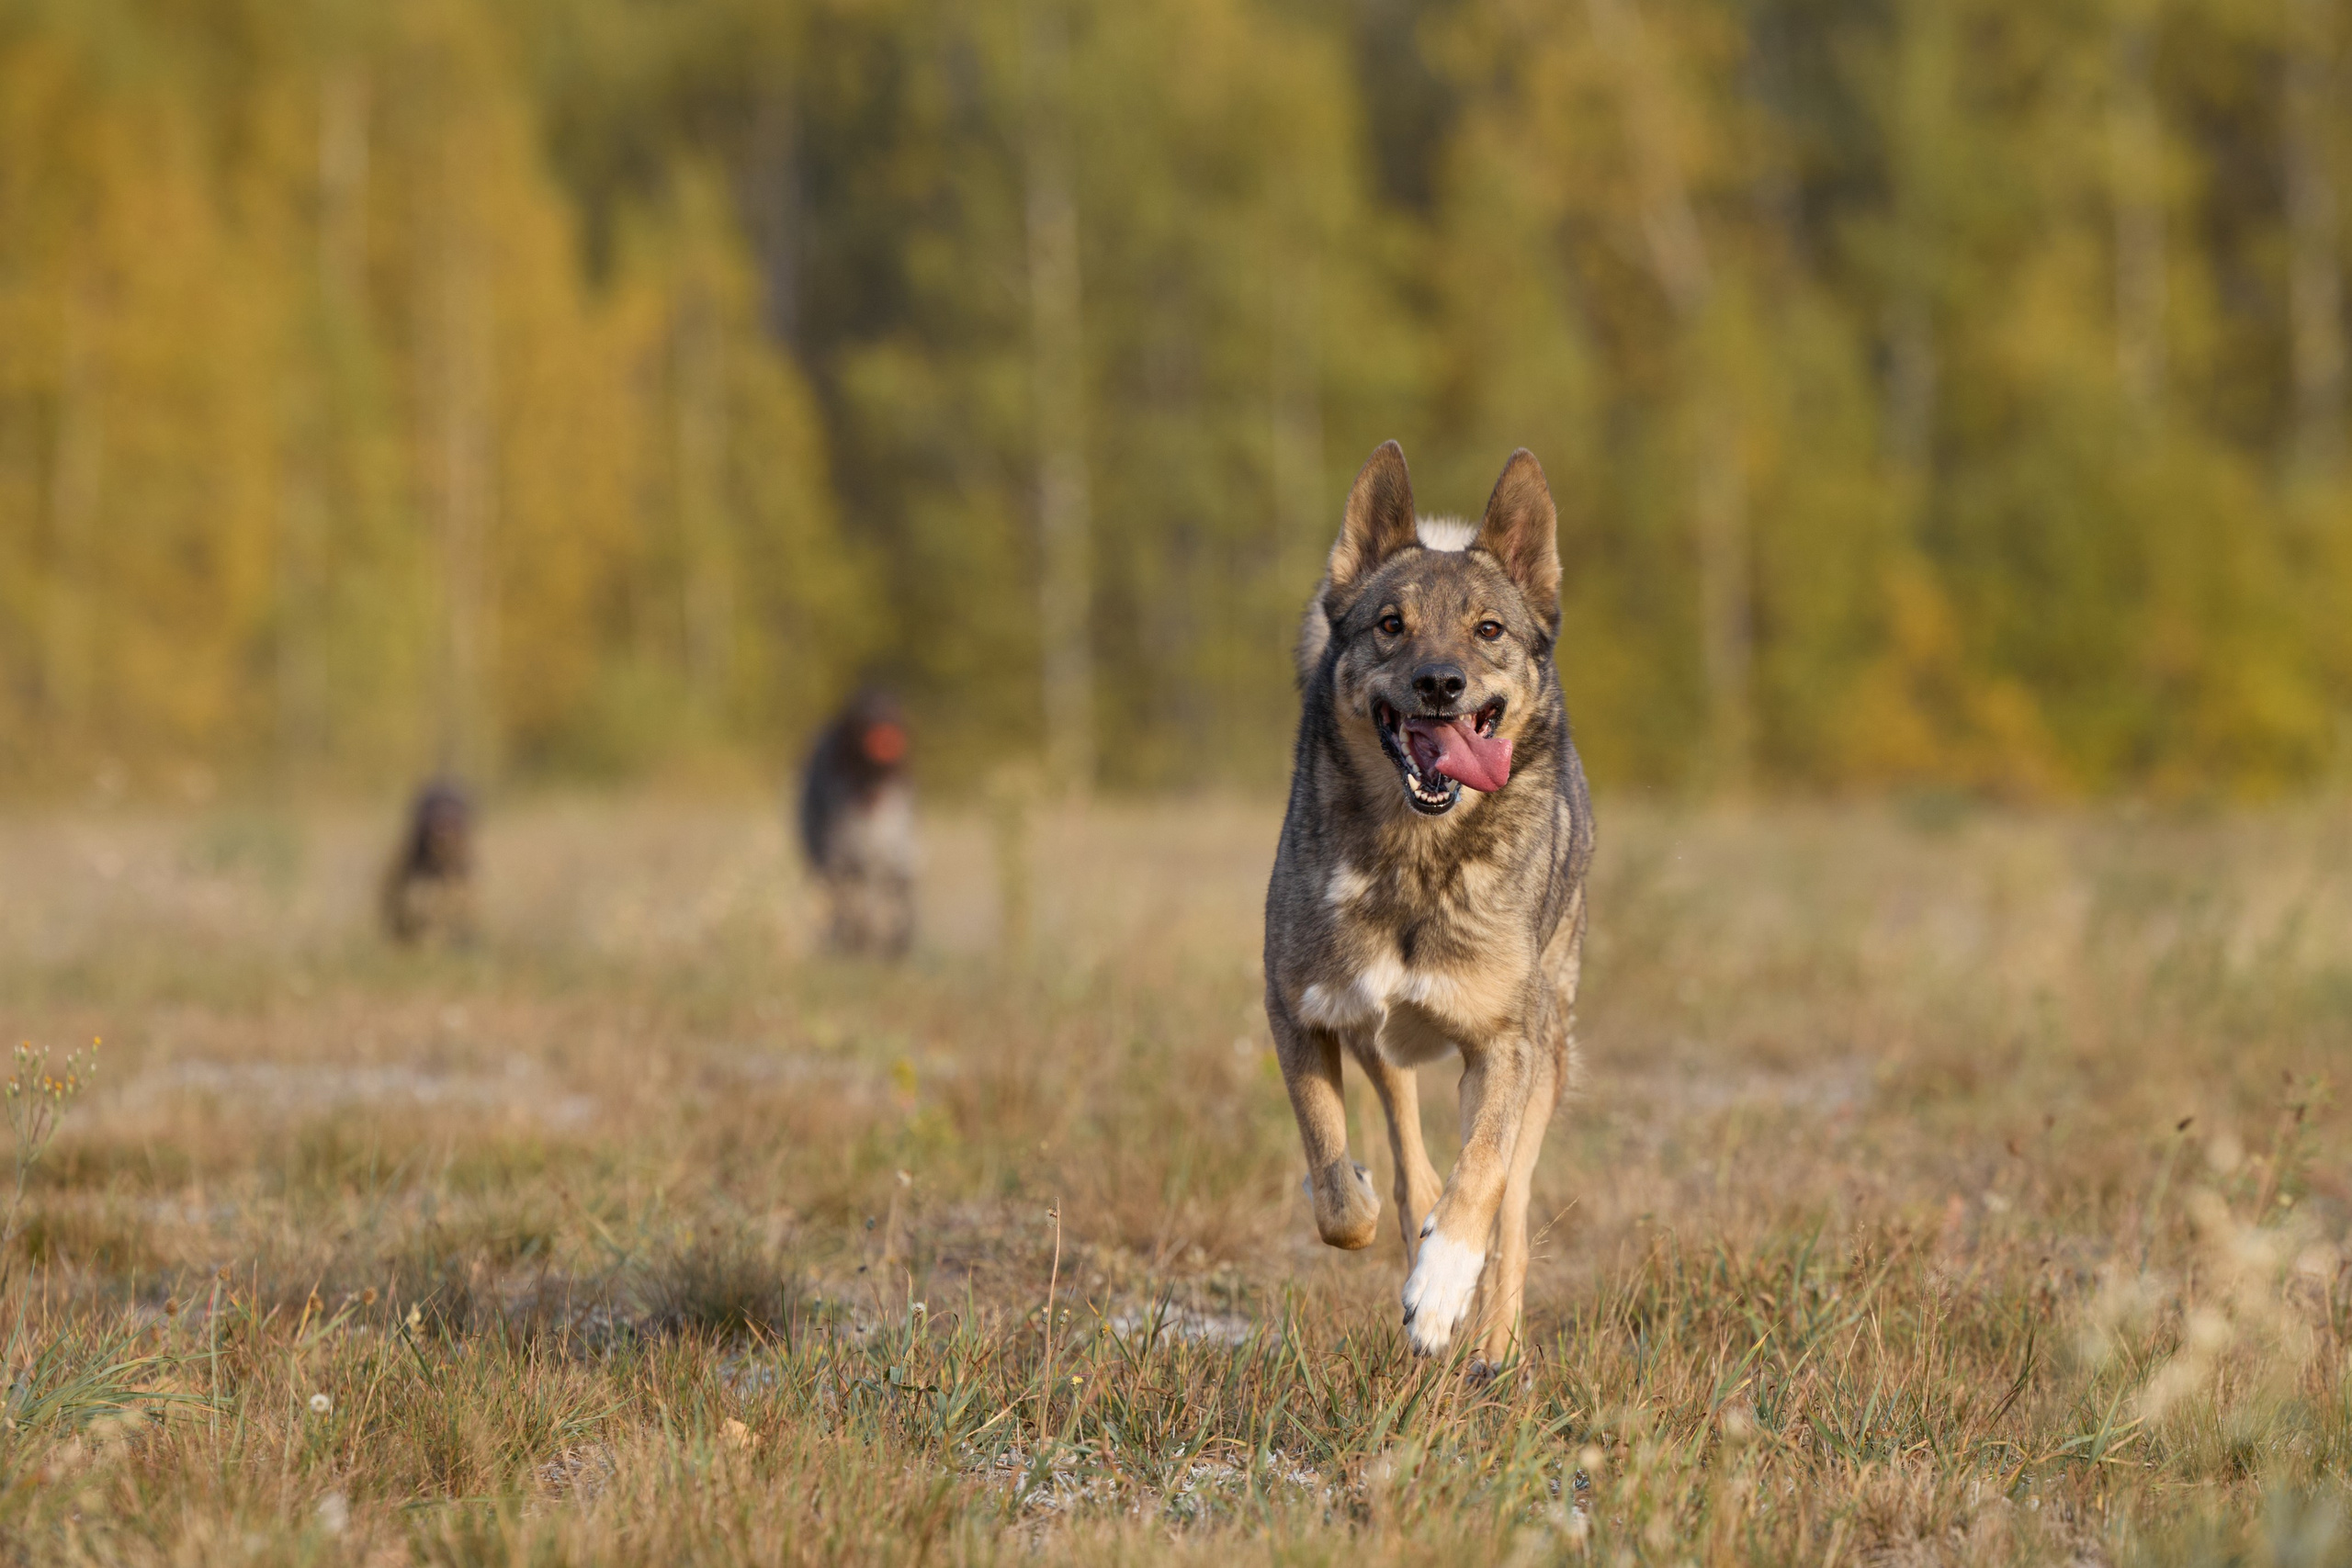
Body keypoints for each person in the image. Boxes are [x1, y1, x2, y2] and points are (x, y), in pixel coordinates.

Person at [797, 690, 917, 955]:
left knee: (897, 871)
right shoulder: (831, 751)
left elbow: (901, 794)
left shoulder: (893, 742)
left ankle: (894, 944)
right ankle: (843, 941)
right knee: (837, 875)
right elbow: (816, 809)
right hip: (831, 809)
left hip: (872, 811)